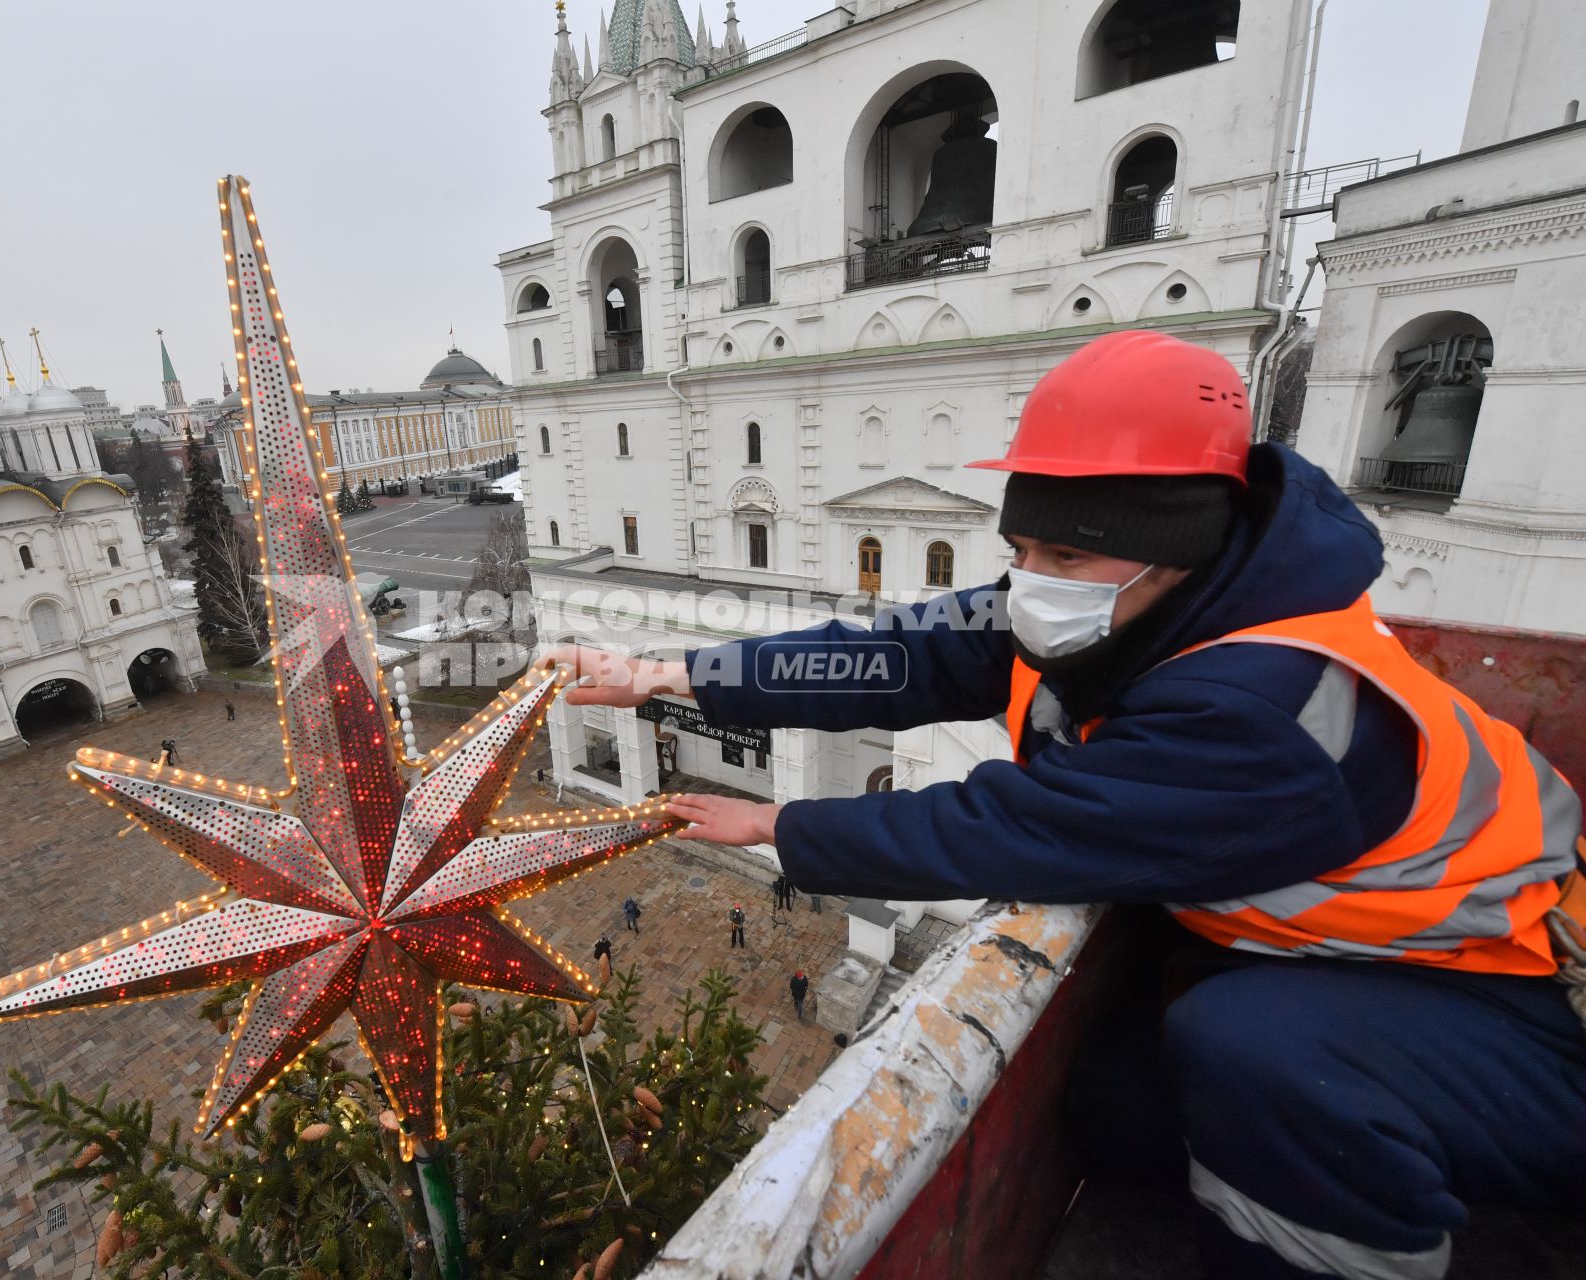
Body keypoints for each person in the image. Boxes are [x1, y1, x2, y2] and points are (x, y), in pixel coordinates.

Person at [545, 330, 1586, 1280]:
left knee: (1256, 1058)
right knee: (1113, 1106)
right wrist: (665, 672)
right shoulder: (1134, 602)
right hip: (1375, 963)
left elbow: (1015, 826)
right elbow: (893, 653)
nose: (1030, 582)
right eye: (1024, 551)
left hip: (1517, 993)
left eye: (1066, 556)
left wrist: (777, 824)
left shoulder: (1260, 702)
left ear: (1174, 543)